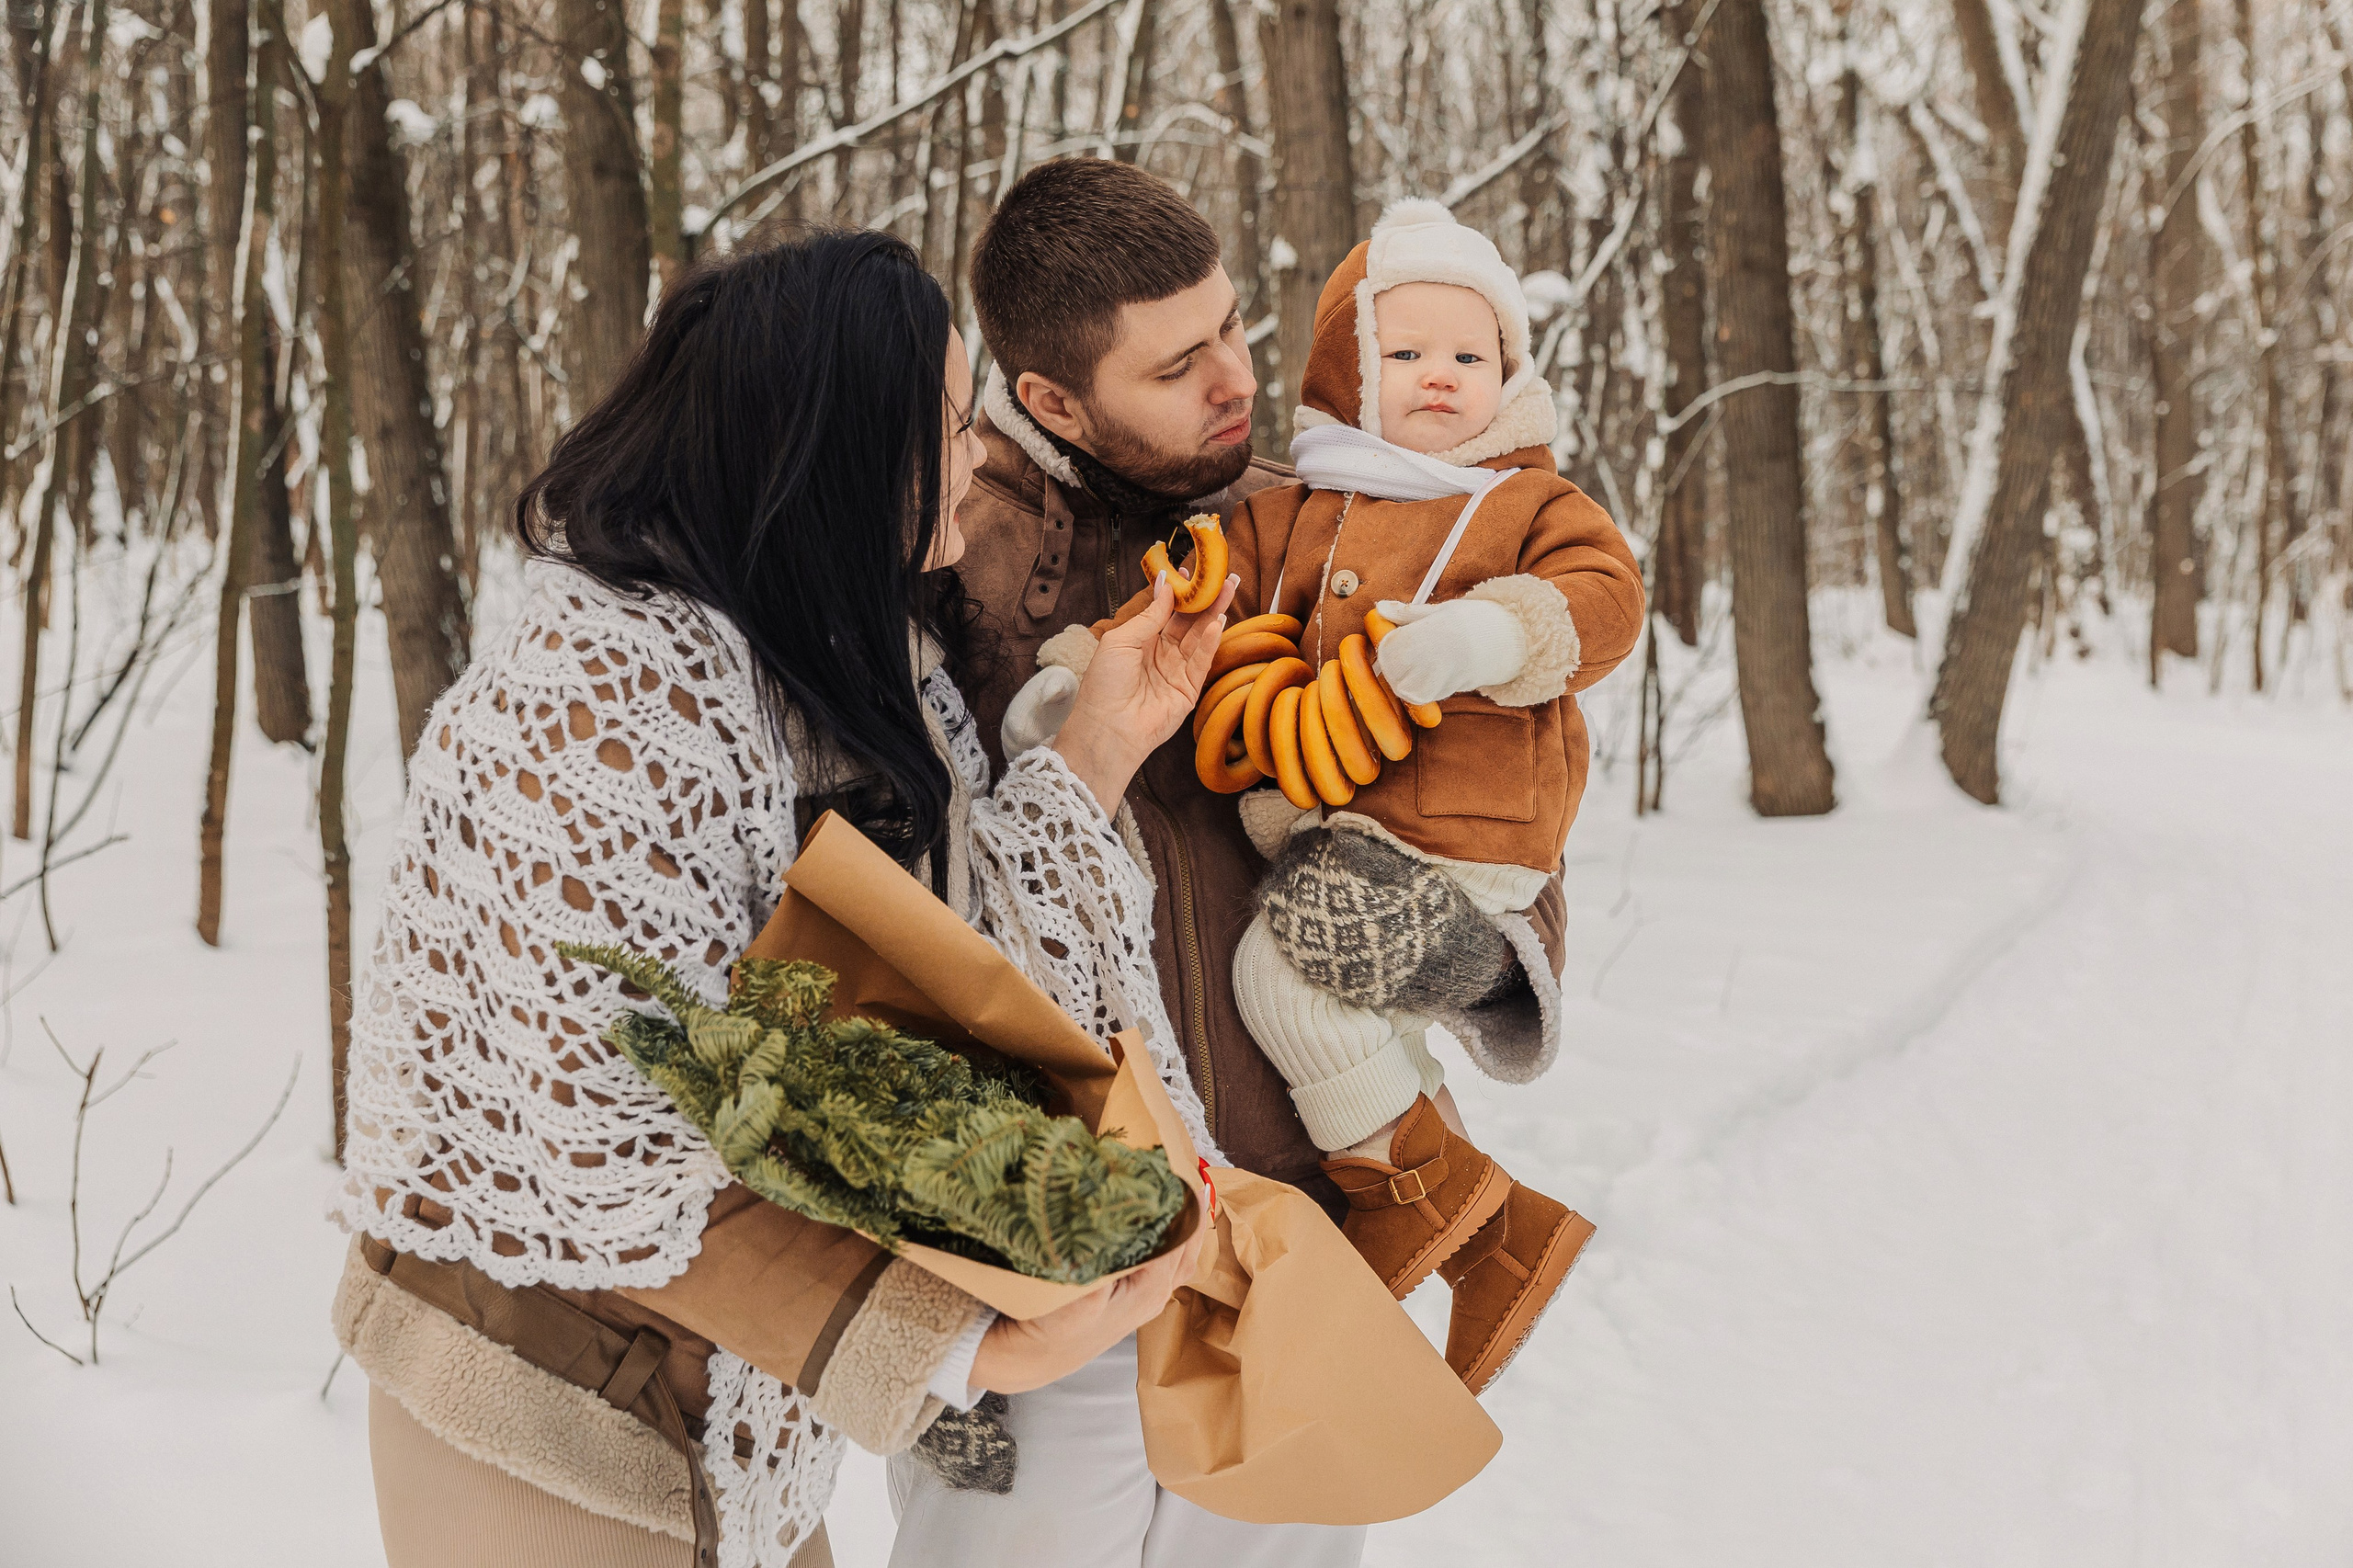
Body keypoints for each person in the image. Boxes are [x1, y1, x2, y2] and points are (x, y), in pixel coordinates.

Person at [328, 228, 1223, 1568]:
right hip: (545, 1409)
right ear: (830, 440)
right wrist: (971, 1335)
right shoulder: (597, 708)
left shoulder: (831, 664)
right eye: (941, 420)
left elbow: (948, 974)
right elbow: (611, 1141)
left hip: (742, 1419)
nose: (977, 458)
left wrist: (1102, 737)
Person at [1206, 199, 1643, 1394]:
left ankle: (1441, 1205)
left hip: (1470, 841)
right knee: (1354, 1015)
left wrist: (1493, 636)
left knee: (1276, 970)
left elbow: (1608, 596)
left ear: (1509, 372)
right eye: (1407, 354)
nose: (1442, 378)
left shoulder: (1522, 502)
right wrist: (1080, 680)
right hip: (1343, 837)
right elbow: (1203, 596)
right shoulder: (1300, 505)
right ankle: (1490, 1231)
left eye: (1471, 355)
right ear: (1353, 368)